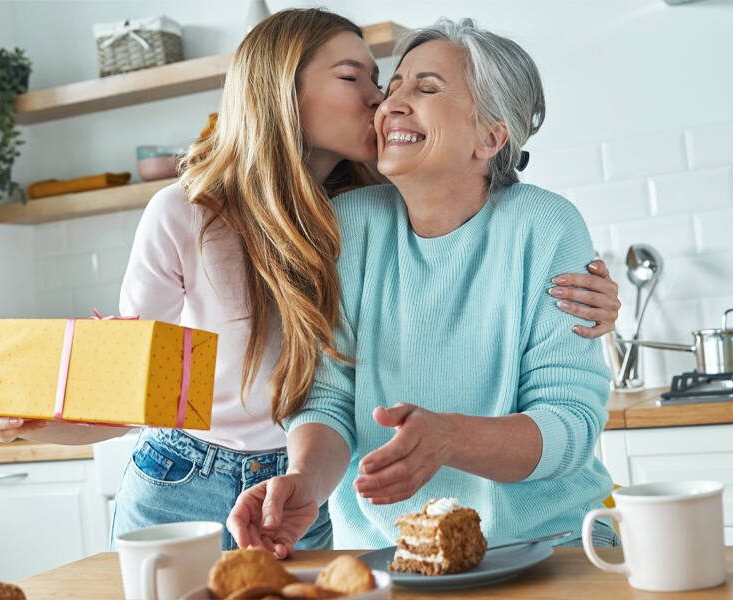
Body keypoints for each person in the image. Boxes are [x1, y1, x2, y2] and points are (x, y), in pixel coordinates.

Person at [0, 10, 619, 553]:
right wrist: (32, 419)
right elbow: (144, 390)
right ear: (282, 90)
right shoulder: (203, 216)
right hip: (193, 473)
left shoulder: (371, 206)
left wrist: (579, 299)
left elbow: (496, 264)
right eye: (357, 78)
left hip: (325, 491)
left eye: (387, 81)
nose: (379, 97)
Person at [227, 18, 620, 558]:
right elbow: (327, 399)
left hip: (551, 549)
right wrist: (306, 484)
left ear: (490, 137)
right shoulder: (349, 224)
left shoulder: (546, 226)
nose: (391, 104)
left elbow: (570, 424)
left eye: (427, 88)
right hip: (391, 556)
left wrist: (451, 440)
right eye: (395, 88)